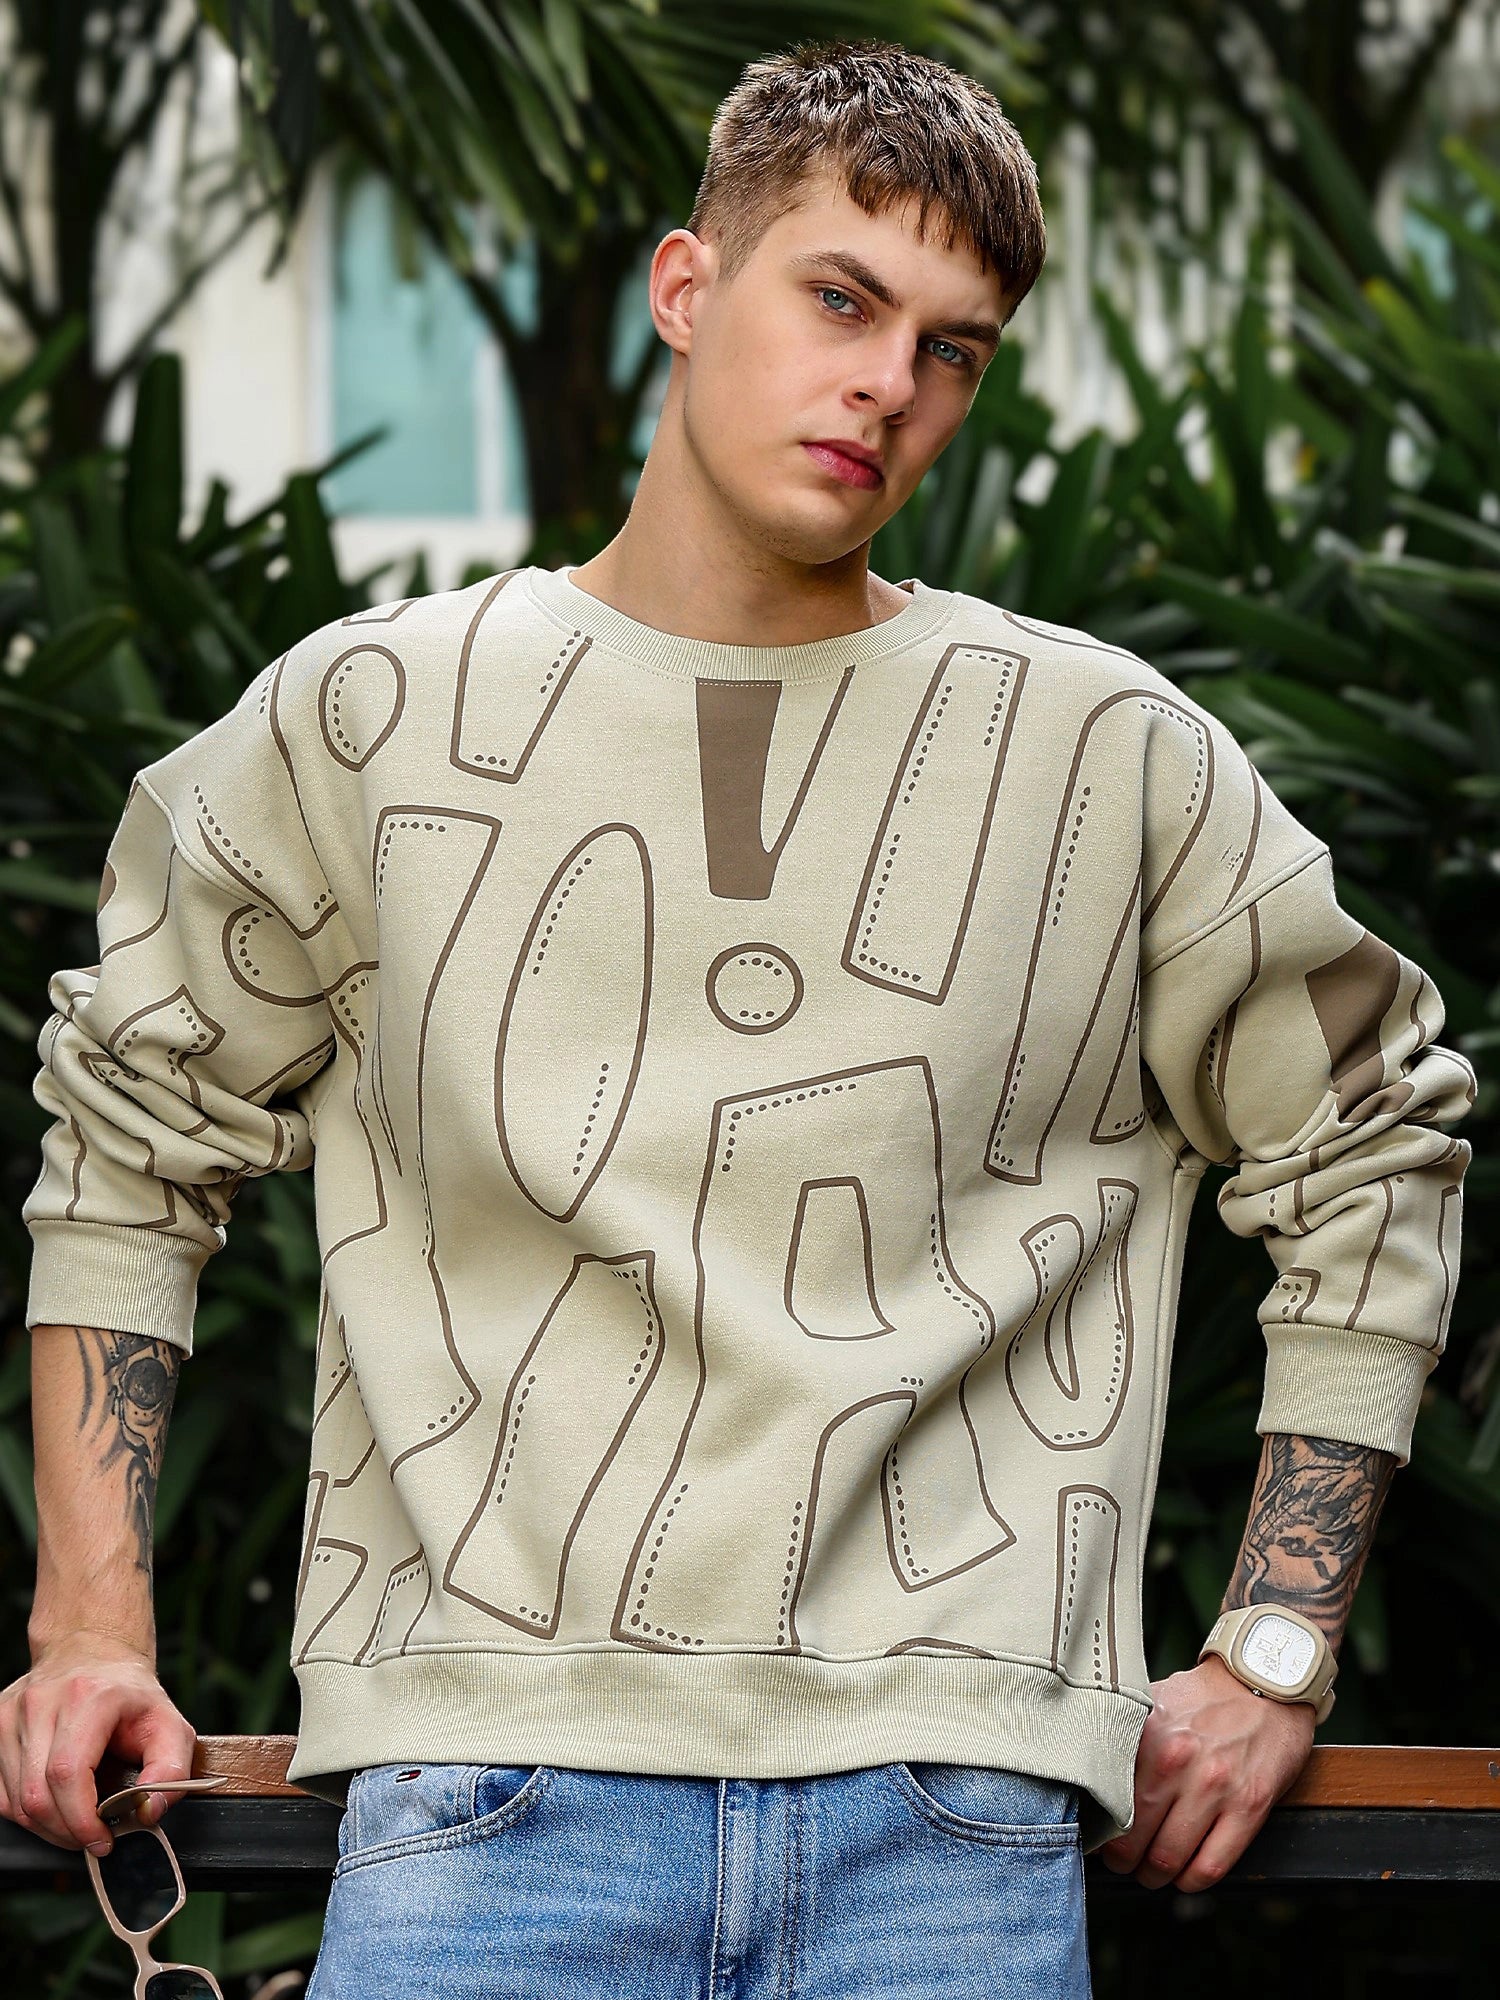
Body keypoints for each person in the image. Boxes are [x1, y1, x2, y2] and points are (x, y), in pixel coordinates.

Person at [2, 34, 1476, 2000]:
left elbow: (1369, 1142)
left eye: (951, 349)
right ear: (688, 289)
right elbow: (132, 1128)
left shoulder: (1104, 756)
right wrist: (90, 1627)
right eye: (842, 300)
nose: (889, 383)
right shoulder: (373, 720)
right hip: (484, 1799)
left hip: (948, 1820)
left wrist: (1275, 1646)